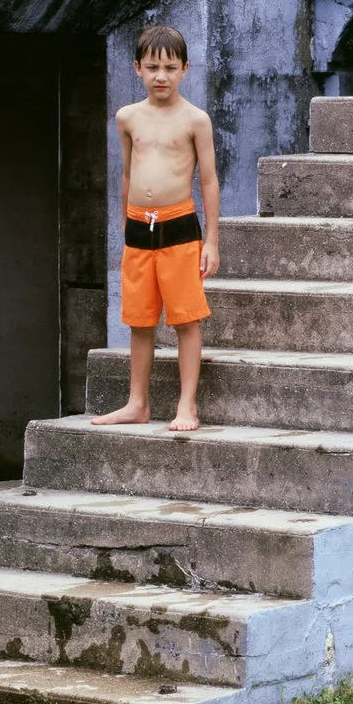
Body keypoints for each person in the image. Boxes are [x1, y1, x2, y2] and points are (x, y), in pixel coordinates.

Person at [91, 23, 222, 434]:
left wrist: (211, 241)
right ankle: (137, 403)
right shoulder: (128, 117)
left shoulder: (195, 120)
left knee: (186, 319)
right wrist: (124, 229)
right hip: (138, 231)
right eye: (152, 67)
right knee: (140, 320)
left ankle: (187, 404)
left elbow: (209, 181)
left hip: (179, 227)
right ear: (137, 68)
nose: (160, 76)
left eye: (169, 68)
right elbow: (128, 174)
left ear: (185, 69)